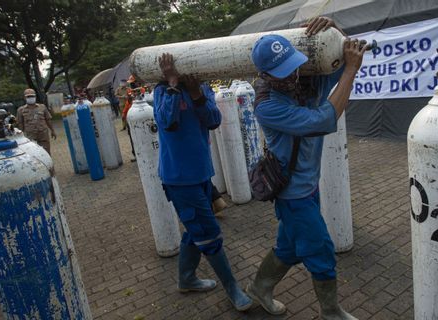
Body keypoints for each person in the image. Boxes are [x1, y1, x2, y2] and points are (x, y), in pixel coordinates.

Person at [246, 17, 367, 320]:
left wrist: (336, 28)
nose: (291, 76)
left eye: (292, 66)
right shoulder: (267, 106)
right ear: (265, 75)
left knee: (288, 248)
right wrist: (351, 71)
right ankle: (331, 312)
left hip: (308, 188)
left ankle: (259, 287)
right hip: (293, 195)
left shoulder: (304, 78)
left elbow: (343, 57)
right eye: (282, 73)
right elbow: (324, 120)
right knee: (321, 251)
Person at [153, 53, 252, 311]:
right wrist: (173, 85)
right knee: (208, 234)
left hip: (202, 174)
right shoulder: (162, 90)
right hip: (179, 178)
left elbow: (214, 120)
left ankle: (186, 279)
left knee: (195, 228)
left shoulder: (203, 87)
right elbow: (166, 122)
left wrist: (197, 94)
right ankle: (232, 287)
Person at [16, 88, 57, 154]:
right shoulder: (20, 110)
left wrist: (52, 131)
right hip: (30, 136)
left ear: (35, 96)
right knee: (33, 154)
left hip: (43, 134)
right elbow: (20, 124)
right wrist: (22, 136)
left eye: (32, 96)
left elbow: (48, 119)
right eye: (28, 96)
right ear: (24, 98)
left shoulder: (42, 107)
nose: (30, 98)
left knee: (46, 152)